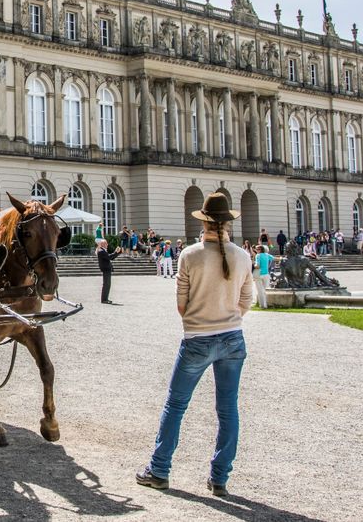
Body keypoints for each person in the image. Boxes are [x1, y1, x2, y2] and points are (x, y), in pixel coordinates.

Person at [137, 192, 252, 497]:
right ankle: (219, 478)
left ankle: (159, 471)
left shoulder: (189, 254)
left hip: (197, 339)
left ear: (203, 222)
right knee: (228, 410)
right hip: (233, 339)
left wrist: (201, 320)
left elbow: (181, 305)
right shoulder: (243, 256)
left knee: (175, 405)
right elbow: (246, 301)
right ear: (228, 223)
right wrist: (227, 318)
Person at [96, 238, 121, 303]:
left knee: (107, 285)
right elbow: (109, 257)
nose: (107, 244)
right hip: (106, 269)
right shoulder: (101, 251)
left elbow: (110, 257)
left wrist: (116, 252)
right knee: (106, 284)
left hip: (107, 269)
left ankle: (105, 299)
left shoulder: (103, 250)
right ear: (103, 244)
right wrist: (116, 252)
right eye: (106, 243)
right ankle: (104, 299)